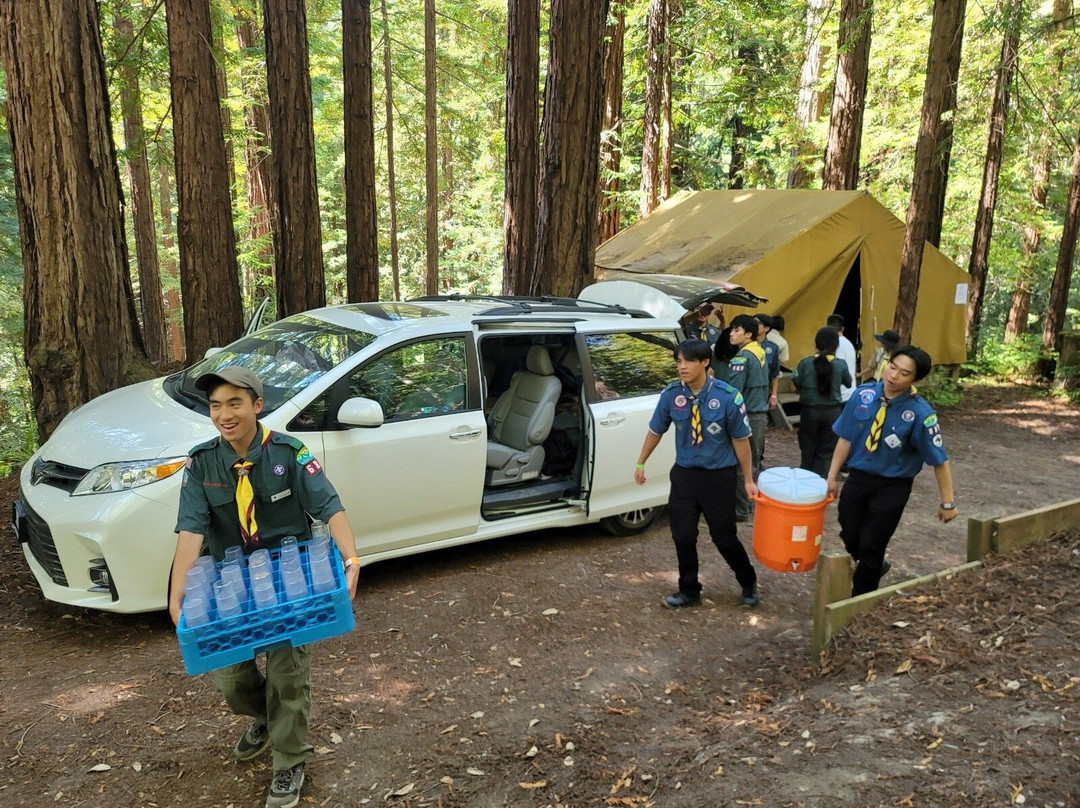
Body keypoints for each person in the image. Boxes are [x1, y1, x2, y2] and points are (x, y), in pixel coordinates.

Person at [170, 367, 360, 808]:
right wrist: (175, 592)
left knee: (287, 676)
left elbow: (329, 506)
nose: (224, 414)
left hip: (289, 582)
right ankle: (265, 719)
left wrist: (351, 557)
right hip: (231, 589)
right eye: (216, 405)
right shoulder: (201, 464)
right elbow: (190, 531)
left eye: (234, 403)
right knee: (232, 682)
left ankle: (290, 759)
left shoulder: (290, 453)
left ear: (257, 406)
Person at [634, 339, 760, 608]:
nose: (682, 367)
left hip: (718, 476)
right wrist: (641, 462)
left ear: (705, 362)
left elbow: (741, 440)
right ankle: (689, 589)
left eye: (688, 361)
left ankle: (748, 581)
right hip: (685, 475)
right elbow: (656, 429)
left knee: (724, 537)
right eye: (679, 361)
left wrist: (748, 479)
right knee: (682, 534)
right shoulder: (671, 395)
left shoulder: (727, 397)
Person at [825, 346, 958, 597]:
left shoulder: (921, 414)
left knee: (873, 543)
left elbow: (939, 460)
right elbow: (845, 438)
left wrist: (948, 502)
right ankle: (872, 563)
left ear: (915, 380)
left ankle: (861, 600)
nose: (894, 376)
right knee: (848, 528)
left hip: (893, 486)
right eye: (892, 366)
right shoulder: (862, 395)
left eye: (904, 373)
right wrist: (832, 476)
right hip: (858, 478)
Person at [725, 314, 770, 521]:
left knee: (741, 464)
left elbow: (735, 393)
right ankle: (750, 506)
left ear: (748, 334)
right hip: (760, 415)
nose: (731, 334)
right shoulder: (760, 352)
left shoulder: (741, 358)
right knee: (753, 462)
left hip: (746, 416)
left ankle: (740, 510)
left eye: (736, 330)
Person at [791, 327, 852, 477]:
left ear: (816, 342)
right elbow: (849, 383)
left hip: (810, 412)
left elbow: (795, 384)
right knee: (826, 451)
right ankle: (820, 482)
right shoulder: (840, 364)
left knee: (808, 447)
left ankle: (804, 479)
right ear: (836, 345)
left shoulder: (805, 363)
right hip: (832, 413)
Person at [826, 314, 858, 404]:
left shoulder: (836, 345)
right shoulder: (849, 343)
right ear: (843, 328)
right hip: (850, 391)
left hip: (841, 394)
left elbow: (837, 369)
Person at [756, 314, 781, 413]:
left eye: (757, 323)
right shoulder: (743, 344)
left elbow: (774, 374)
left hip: (762, 391)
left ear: (766, 328)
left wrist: (774, 394)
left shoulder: (772, 348)